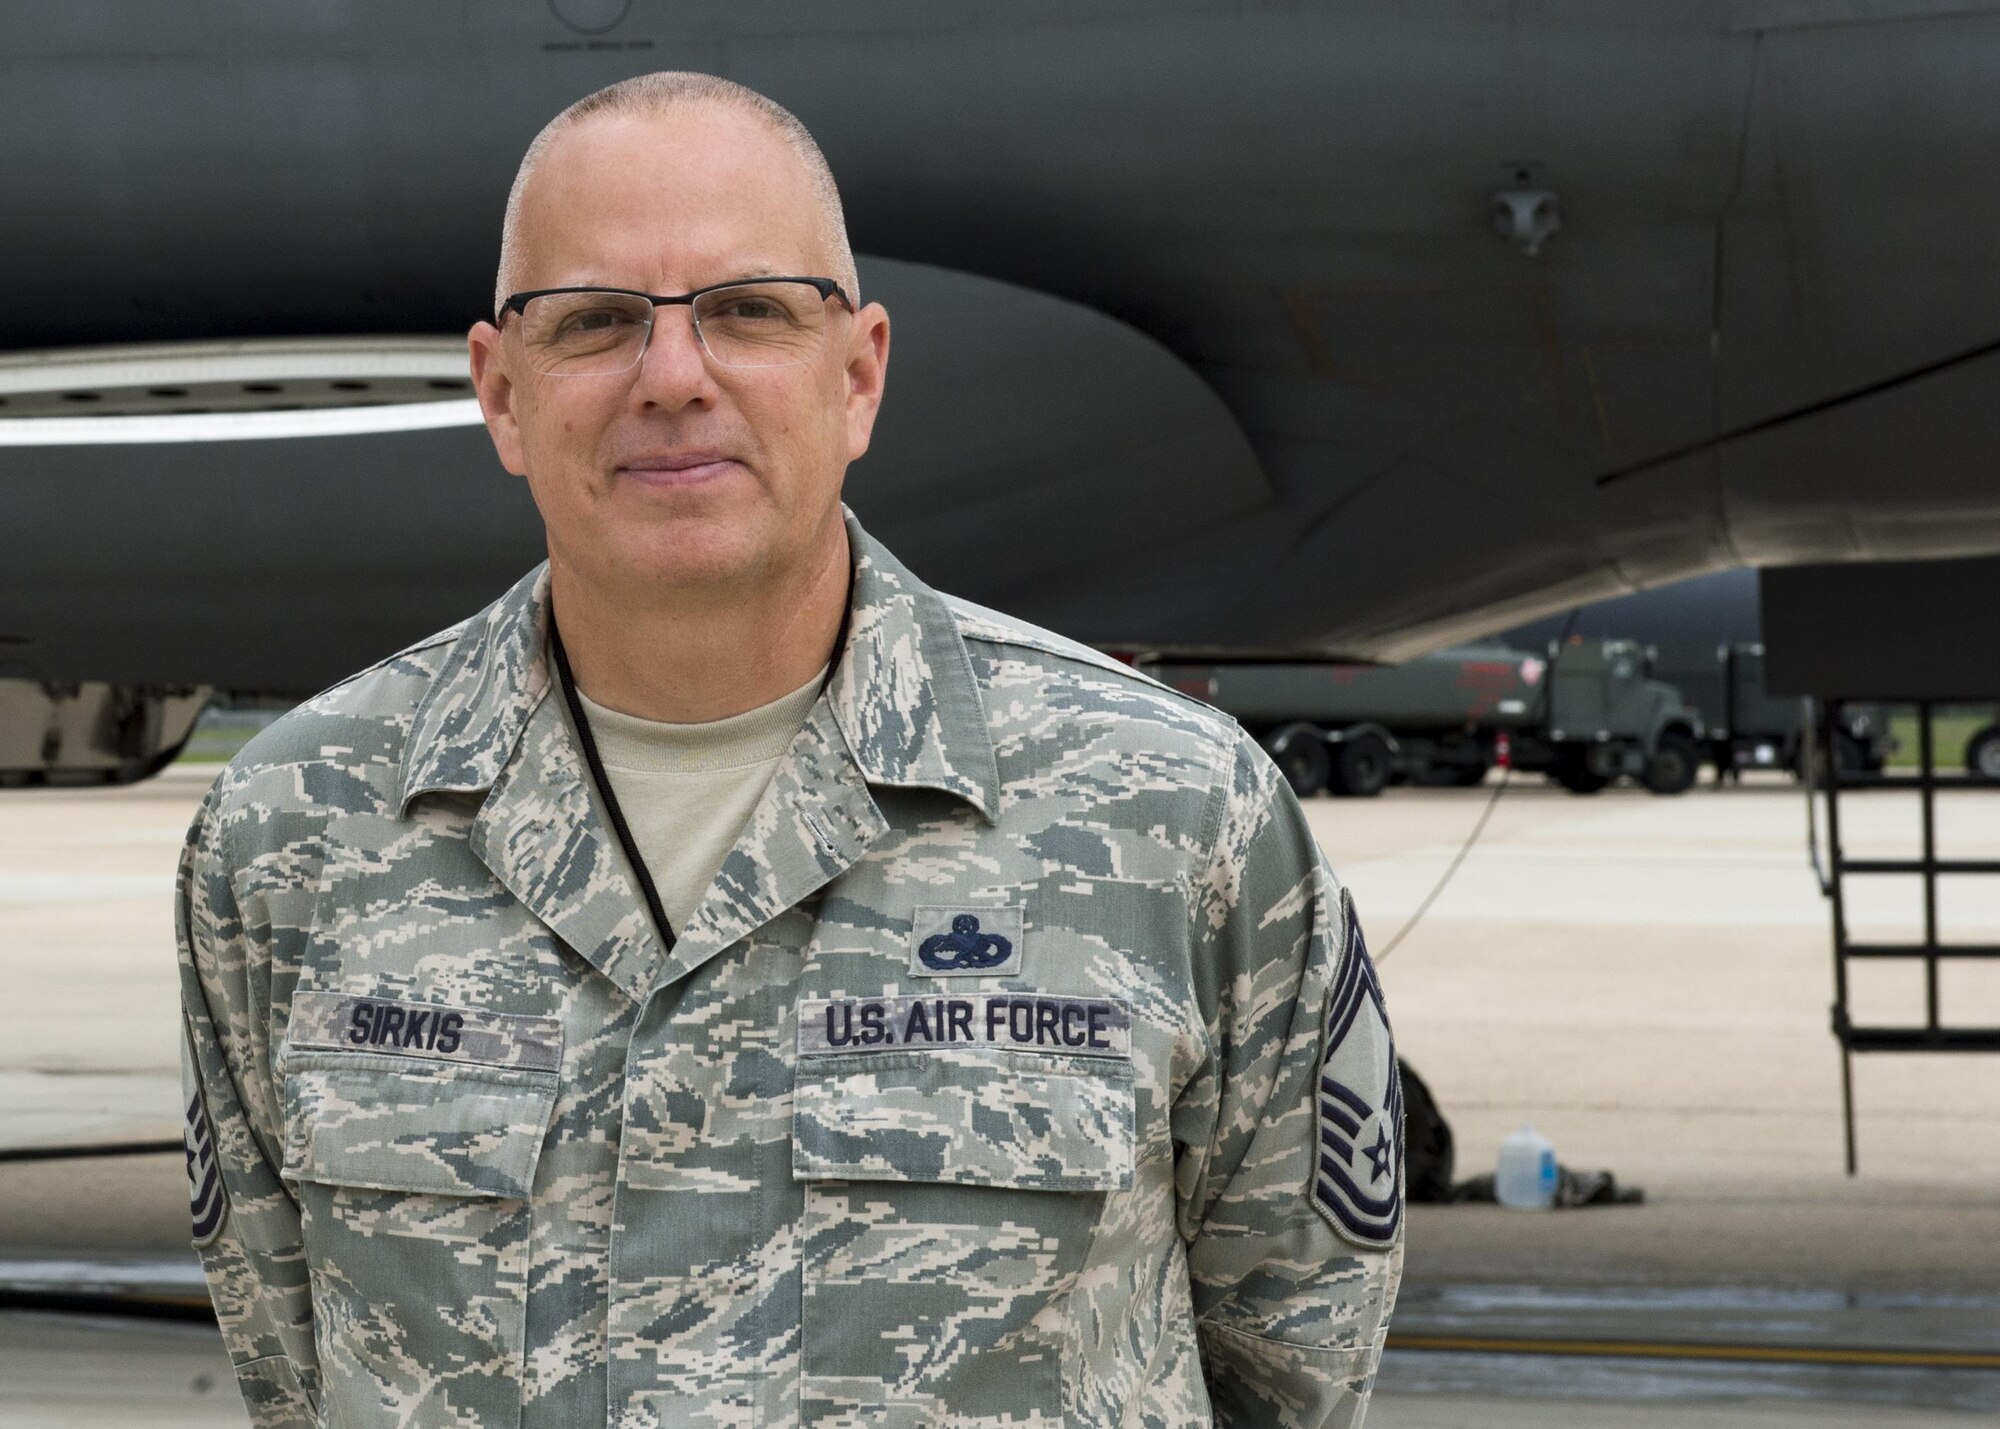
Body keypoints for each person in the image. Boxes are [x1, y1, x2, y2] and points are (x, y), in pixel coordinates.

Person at [175, 72, 1402, 1429]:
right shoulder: (296, 832)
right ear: (503, 394)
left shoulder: (1179, 820)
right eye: (593, 323)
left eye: (749, 311)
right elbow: (290, 1359)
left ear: (860, 372)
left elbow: (1295, 1359)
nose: (674, 378)